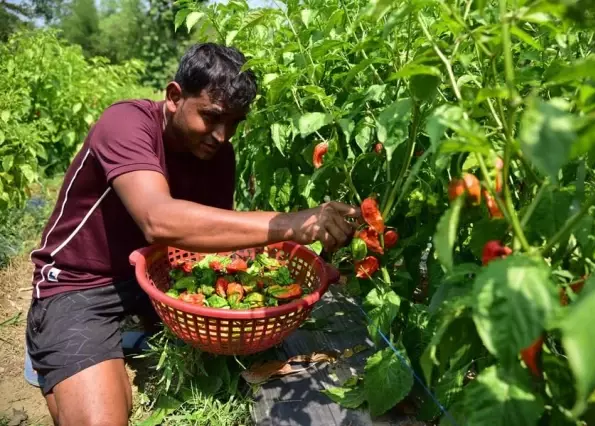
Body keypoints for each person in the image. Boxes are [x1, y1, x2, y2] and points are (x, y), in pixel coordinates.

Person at [24, 42, 359, 426]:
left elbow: (215, 239)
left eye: (234, 122)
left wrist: (311, 276)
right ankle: (55, 341)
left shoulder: (217, 155)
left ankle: (126, 334)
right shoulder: (126, 124)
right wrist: (290, 223)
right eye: (212, 116)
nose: (222, 135)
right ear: (173, 96)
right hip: (80, 282)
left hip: (160, 276)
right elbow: (159, 220)